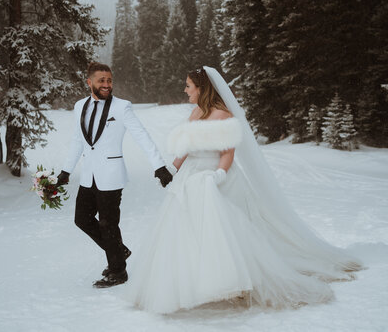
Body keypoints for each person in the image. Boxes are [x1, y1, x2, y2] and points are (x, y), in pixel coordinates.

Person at [126, 66, 362, 314]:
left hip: (216, 177)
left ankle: (235, 280)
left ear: (201, 88)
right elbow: (185, 147)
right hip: (190, 178)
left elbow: (228, 152)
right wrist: (172, 169)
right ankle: (194, 282)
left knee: (228, 232)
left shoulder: (223, 115)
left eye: (188, 86)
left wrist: (218, 175)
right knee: (187, 230)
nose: (185, 90)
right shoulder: (195, 113)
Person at [56, 62, 173, 288]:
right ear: (89, 82)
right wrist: (65, 171)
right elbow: (78, 141)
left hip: (111, 175)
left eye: (109, 80)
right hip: (89, 176)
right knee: (81, 219)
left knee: (108, 224)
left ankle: (118, 271)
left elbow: (141, 135)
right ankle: (118, 251)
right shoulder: (80, 106)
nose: (107, 85)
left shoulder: (122, 107)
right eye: (101, 81)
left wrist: (159, 166)